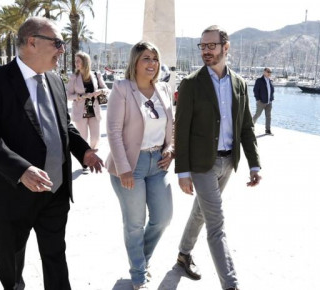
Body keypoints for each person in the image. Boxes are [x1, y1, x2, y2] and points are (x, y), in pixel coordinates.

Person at [0, 17, 104, 290]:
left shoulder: (54, 80)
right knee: (12, 261)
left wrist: (84, 151)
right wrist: (21, 170)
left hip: (54, 190)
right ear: (32, 42)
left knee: (56, 255)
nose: (62, 50)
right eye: (57, 43)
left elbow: (62, 124)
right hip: (11, 192)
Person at [174, 25, 262, 290]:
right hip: (202, 165)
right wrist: (183, 172)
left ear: (226, 47)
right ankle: (231, 284)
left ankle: (183, 254)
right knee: (216, 224)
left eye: (211, 45)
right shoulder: (190, 84)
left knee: (201, 212)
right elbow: (182, 129)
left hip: (228, 162)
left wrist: (254, 163)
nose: (206, 51)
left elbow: (246, 125)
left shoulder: (239, 83)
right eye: (202, 46)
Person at [105, 41, 175, 290]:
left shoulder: (164, 89)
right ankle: (138, 275)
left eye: (155, 59)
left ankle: (140, 261)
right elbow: (113, 131)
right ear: (135, 62)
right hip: (130, 165)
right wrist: (123, 168)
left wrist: (170, 148)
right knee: (134, 223)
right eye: (146, 58)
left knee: (163, 217)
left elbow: (171, 128)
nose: (152, 63)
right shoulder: (123, 88)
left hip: (158, 163)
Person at [65, 51, 109, 151]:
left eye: (78, 61)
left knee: (95, 139)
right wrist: (82, 96)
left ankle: (93, 157)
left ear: (85, 62)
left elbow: (107, 90)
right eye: (75, 61)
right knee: (83, 139)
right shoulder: (74, 77)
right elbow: (68, 95)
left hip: (94, 111)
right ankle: (86, 162)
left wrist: (100, 91)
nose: (76, 64)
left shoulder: (96, 75)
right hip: (81, 112)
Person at [252, 67, 275, 135]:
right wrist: (258, 99)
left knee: (268, 116)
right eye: (268, 72)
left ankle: (267, 130)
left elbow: (271, 90)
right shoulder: (259, 80)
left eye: (270, 72)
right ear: (264, 72)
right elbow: (255, 90)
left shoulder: (270, 81)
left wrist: (271, 98)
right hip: (261, 102)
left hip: (269, 102)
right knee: (257, 115)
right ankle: (250, 127)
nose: (269, 73)